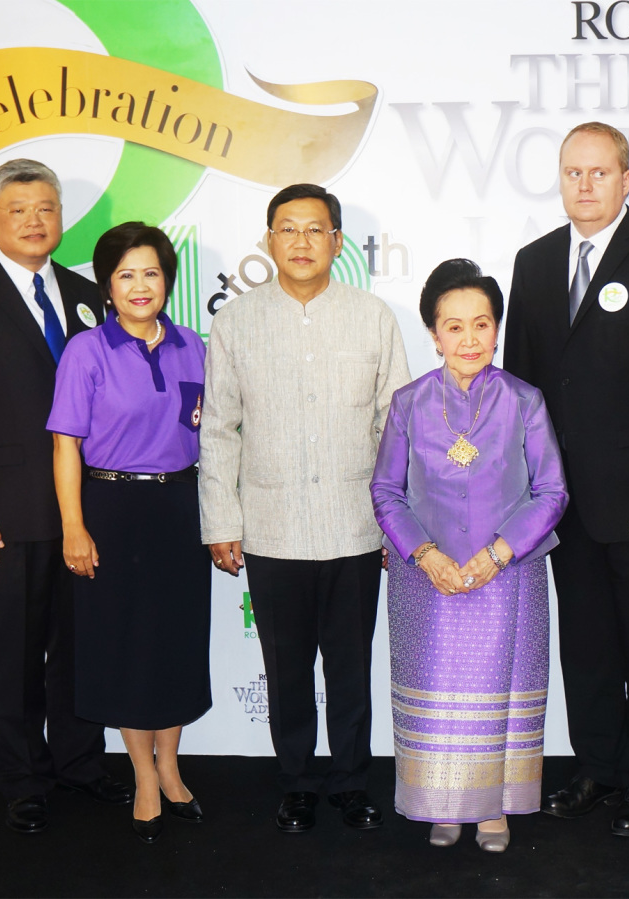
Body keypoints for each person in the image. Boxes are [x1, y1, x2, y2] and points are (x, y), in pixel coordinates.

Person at [503, 122, 629, 837]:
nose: (584, 185)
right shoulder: (533, 262)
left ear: (625, 180)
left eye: (599, 172)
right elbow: (521, 390)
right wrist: (528, 494)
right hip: (561, 502)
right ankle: (596, 767)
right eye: (572, 172)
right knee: (586, 646)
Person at [0, 159, 128, 834]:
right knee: (12, 652)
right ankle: (20, 776)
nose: (34, 221)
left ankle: (79, 761)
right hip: (1, 513)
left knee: (79, 647)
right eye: (18, 210)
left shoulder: (88, 294)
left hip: (84, 511)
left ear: (60, 216)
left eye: (46, 208)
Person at [199, 183, 410, 833]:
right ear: (269, 241)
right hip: (271, 529)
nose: (300, 241)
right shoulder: (236, 322)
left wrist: (397, 525)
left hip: (355, 527)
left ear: (337, 242)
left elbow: (396, 426)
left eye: (314, 229)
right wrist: (222, 522)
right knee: (286, 670)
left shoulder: (372, 317)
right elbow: (219, 429)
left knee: (350, 669)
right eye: (287, 228)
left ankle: (350, 781)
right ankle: (295, 782)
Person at [372, 259, 568, 853]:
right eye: (453, 327)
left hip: (507, 575)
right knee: (436, 691)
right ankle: (441, 801)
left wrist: (499, 553)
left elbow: (551, 492)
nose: (469, 339)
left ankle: (494, 808)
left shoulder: (525, 400)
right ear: (434, 335)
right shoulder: (408, 403)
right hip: (425, 578)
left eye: (481, 324)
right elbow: (386, 491)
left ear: (497, 329)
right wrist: (425, 554)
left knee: (497, 694)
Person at [46, 222, 211, 844]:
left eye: (152, 273)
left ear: (167, 281)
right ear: (107, 286)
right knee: (126, 648)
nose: (141, 286)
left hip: (180, 510)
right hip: (111, 510)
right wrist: (74, 526)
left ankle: (171, 767)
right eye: (126, 275)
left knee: (174, 644)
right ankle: (143, 774)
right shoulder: (86, 351)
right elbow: (66, 445)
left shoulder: (194, 346)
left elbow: (215, 435)